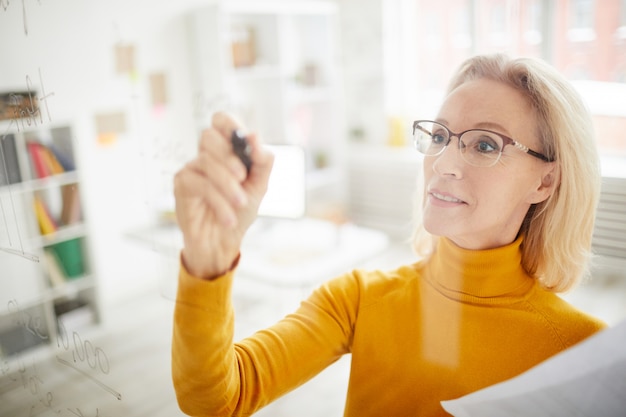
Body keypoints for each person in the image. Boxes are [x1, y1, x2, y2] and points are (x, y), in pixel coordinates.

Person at [171, 53, 607, 416]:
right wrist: (207, 262)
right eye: (439, 135)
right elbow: (216, 398)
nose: (443, 163)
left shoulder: (587, 355)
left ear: (545, 182)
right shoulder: (359, 299)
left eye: (485, 145)